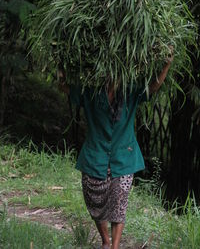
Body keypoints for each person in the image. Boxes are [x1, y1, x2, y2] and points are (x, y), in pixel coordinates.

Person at [58, 52, 174, 249]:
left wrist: (166, 65)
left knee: (119, 201)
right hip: (95, 156)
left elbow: (153, 87)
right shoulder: (91, 92)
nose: (113, 77)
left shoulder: (130, 93)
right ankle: (105, 240)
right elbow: (63, 87)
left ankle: (114, 246)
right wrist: (60, 62)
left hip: (124, 157)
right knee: (95, 201)